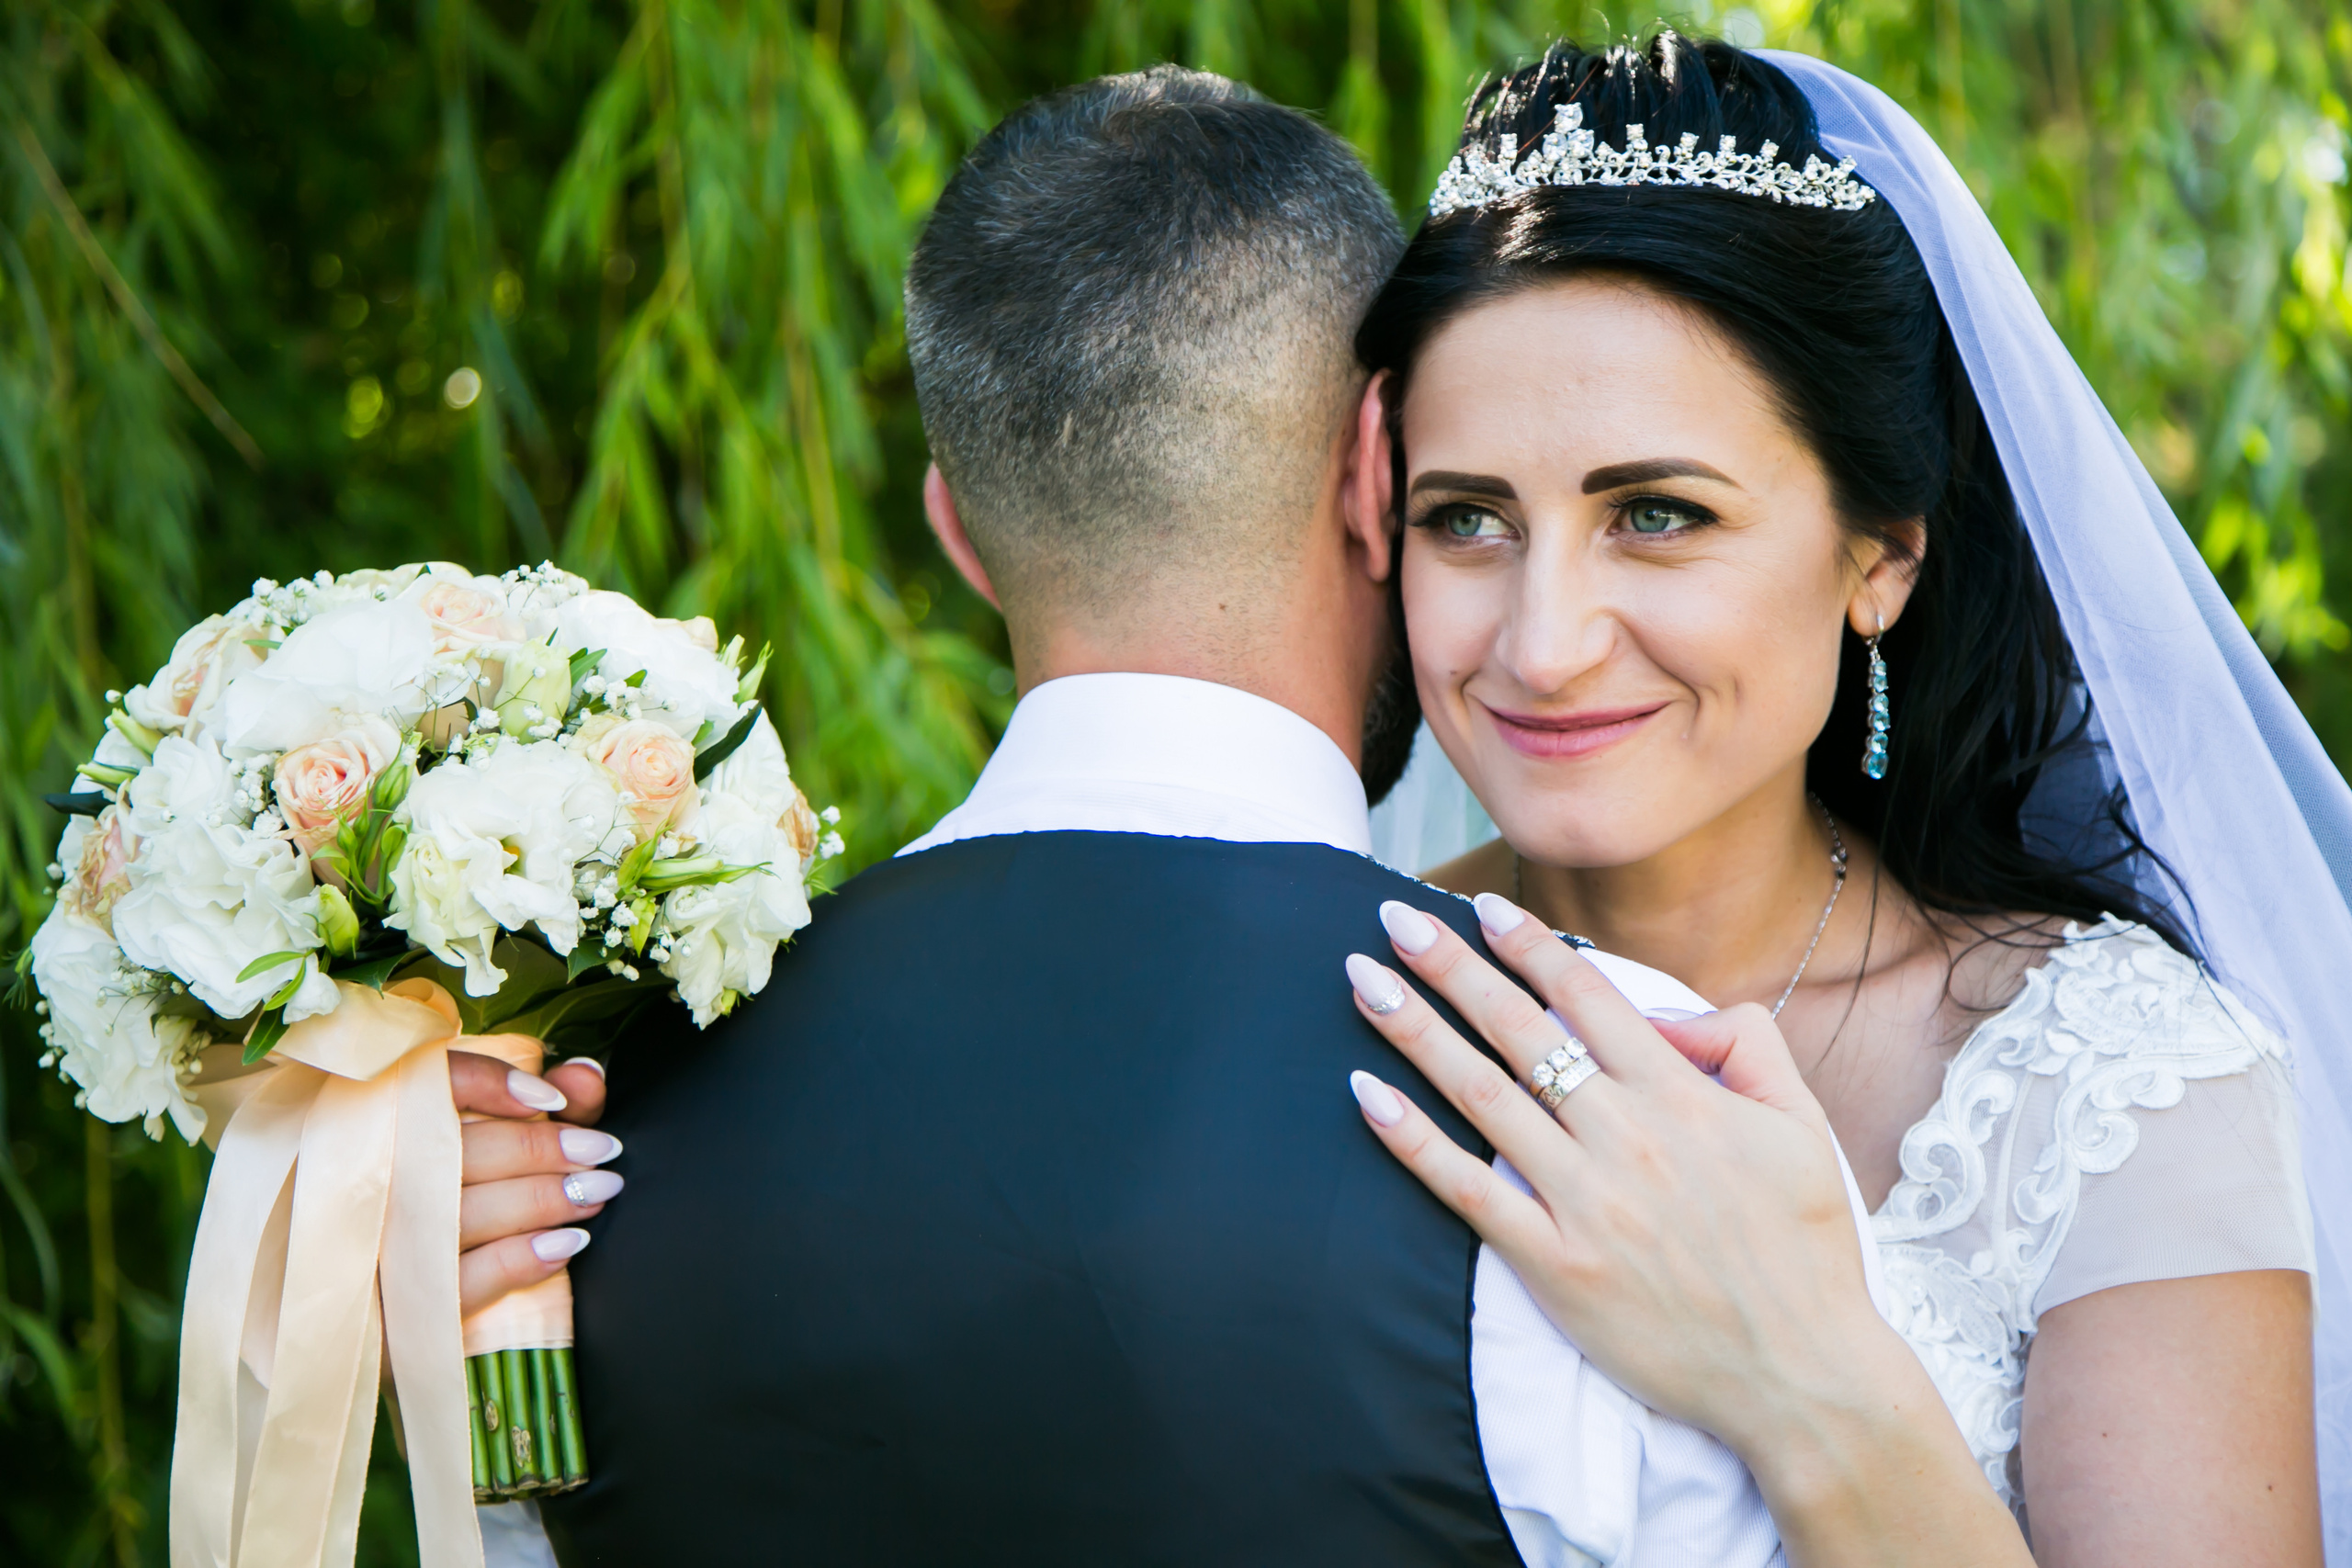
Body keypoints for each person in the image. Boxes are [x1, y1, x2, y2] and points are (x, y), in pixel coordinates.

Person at [427, 64, 2039, 1568]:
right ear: (1377, 475)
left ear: (958, 530)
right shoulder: (1617, 1123)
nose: (1545, 637)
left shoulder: (550, 1172)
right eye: (1472, 511)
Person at [1337, 35, 2332, 1565]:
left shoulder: (2110, 1088)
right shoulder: (1339, 977)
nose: (1542, 643)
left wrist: (1801, 1379)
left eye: (1656, 513)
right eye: (1467, 520)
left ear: (1882, 558)